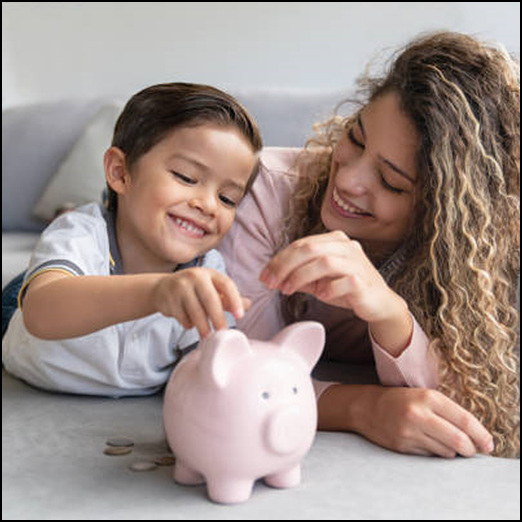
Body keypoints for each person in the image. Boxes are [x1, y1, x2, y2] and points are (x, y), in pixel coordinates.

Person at [218, 32, 520, 458]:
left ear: (444, 213)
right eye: (356, 139)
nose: (347, 180)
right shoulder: (264, 191)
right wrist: (363, 408)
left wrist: (391, 314)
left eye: (391, 182)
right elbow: (238, 375)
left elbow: (480, 404)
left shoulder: (479, 251)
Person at [2, 82, 262, 397]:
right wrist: (157, 292)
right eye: (186, 177)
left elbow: (210, 372)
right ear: (120, 172)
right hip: (25, 316)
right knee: (33, 284)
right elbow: (41, 313)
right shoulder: (82, 233)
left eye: (227, 199)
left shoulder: (207, 271)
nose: (208, 205)